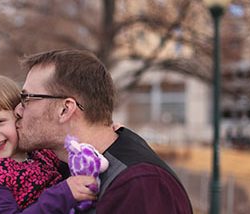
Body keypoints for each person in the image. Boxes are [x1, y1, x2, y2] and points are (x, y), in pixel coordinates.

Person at [14, 49, 193, 213]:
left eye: (26, 98)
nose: (17, 110)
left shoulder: (141, 184)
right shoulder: (64, 169)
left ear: (65, 109)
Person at [0, 75, 96, 213]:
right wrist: (63, 194)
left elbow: (74, 162)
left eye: (0, 122)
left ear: (19, 115)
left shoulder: (42, 152)